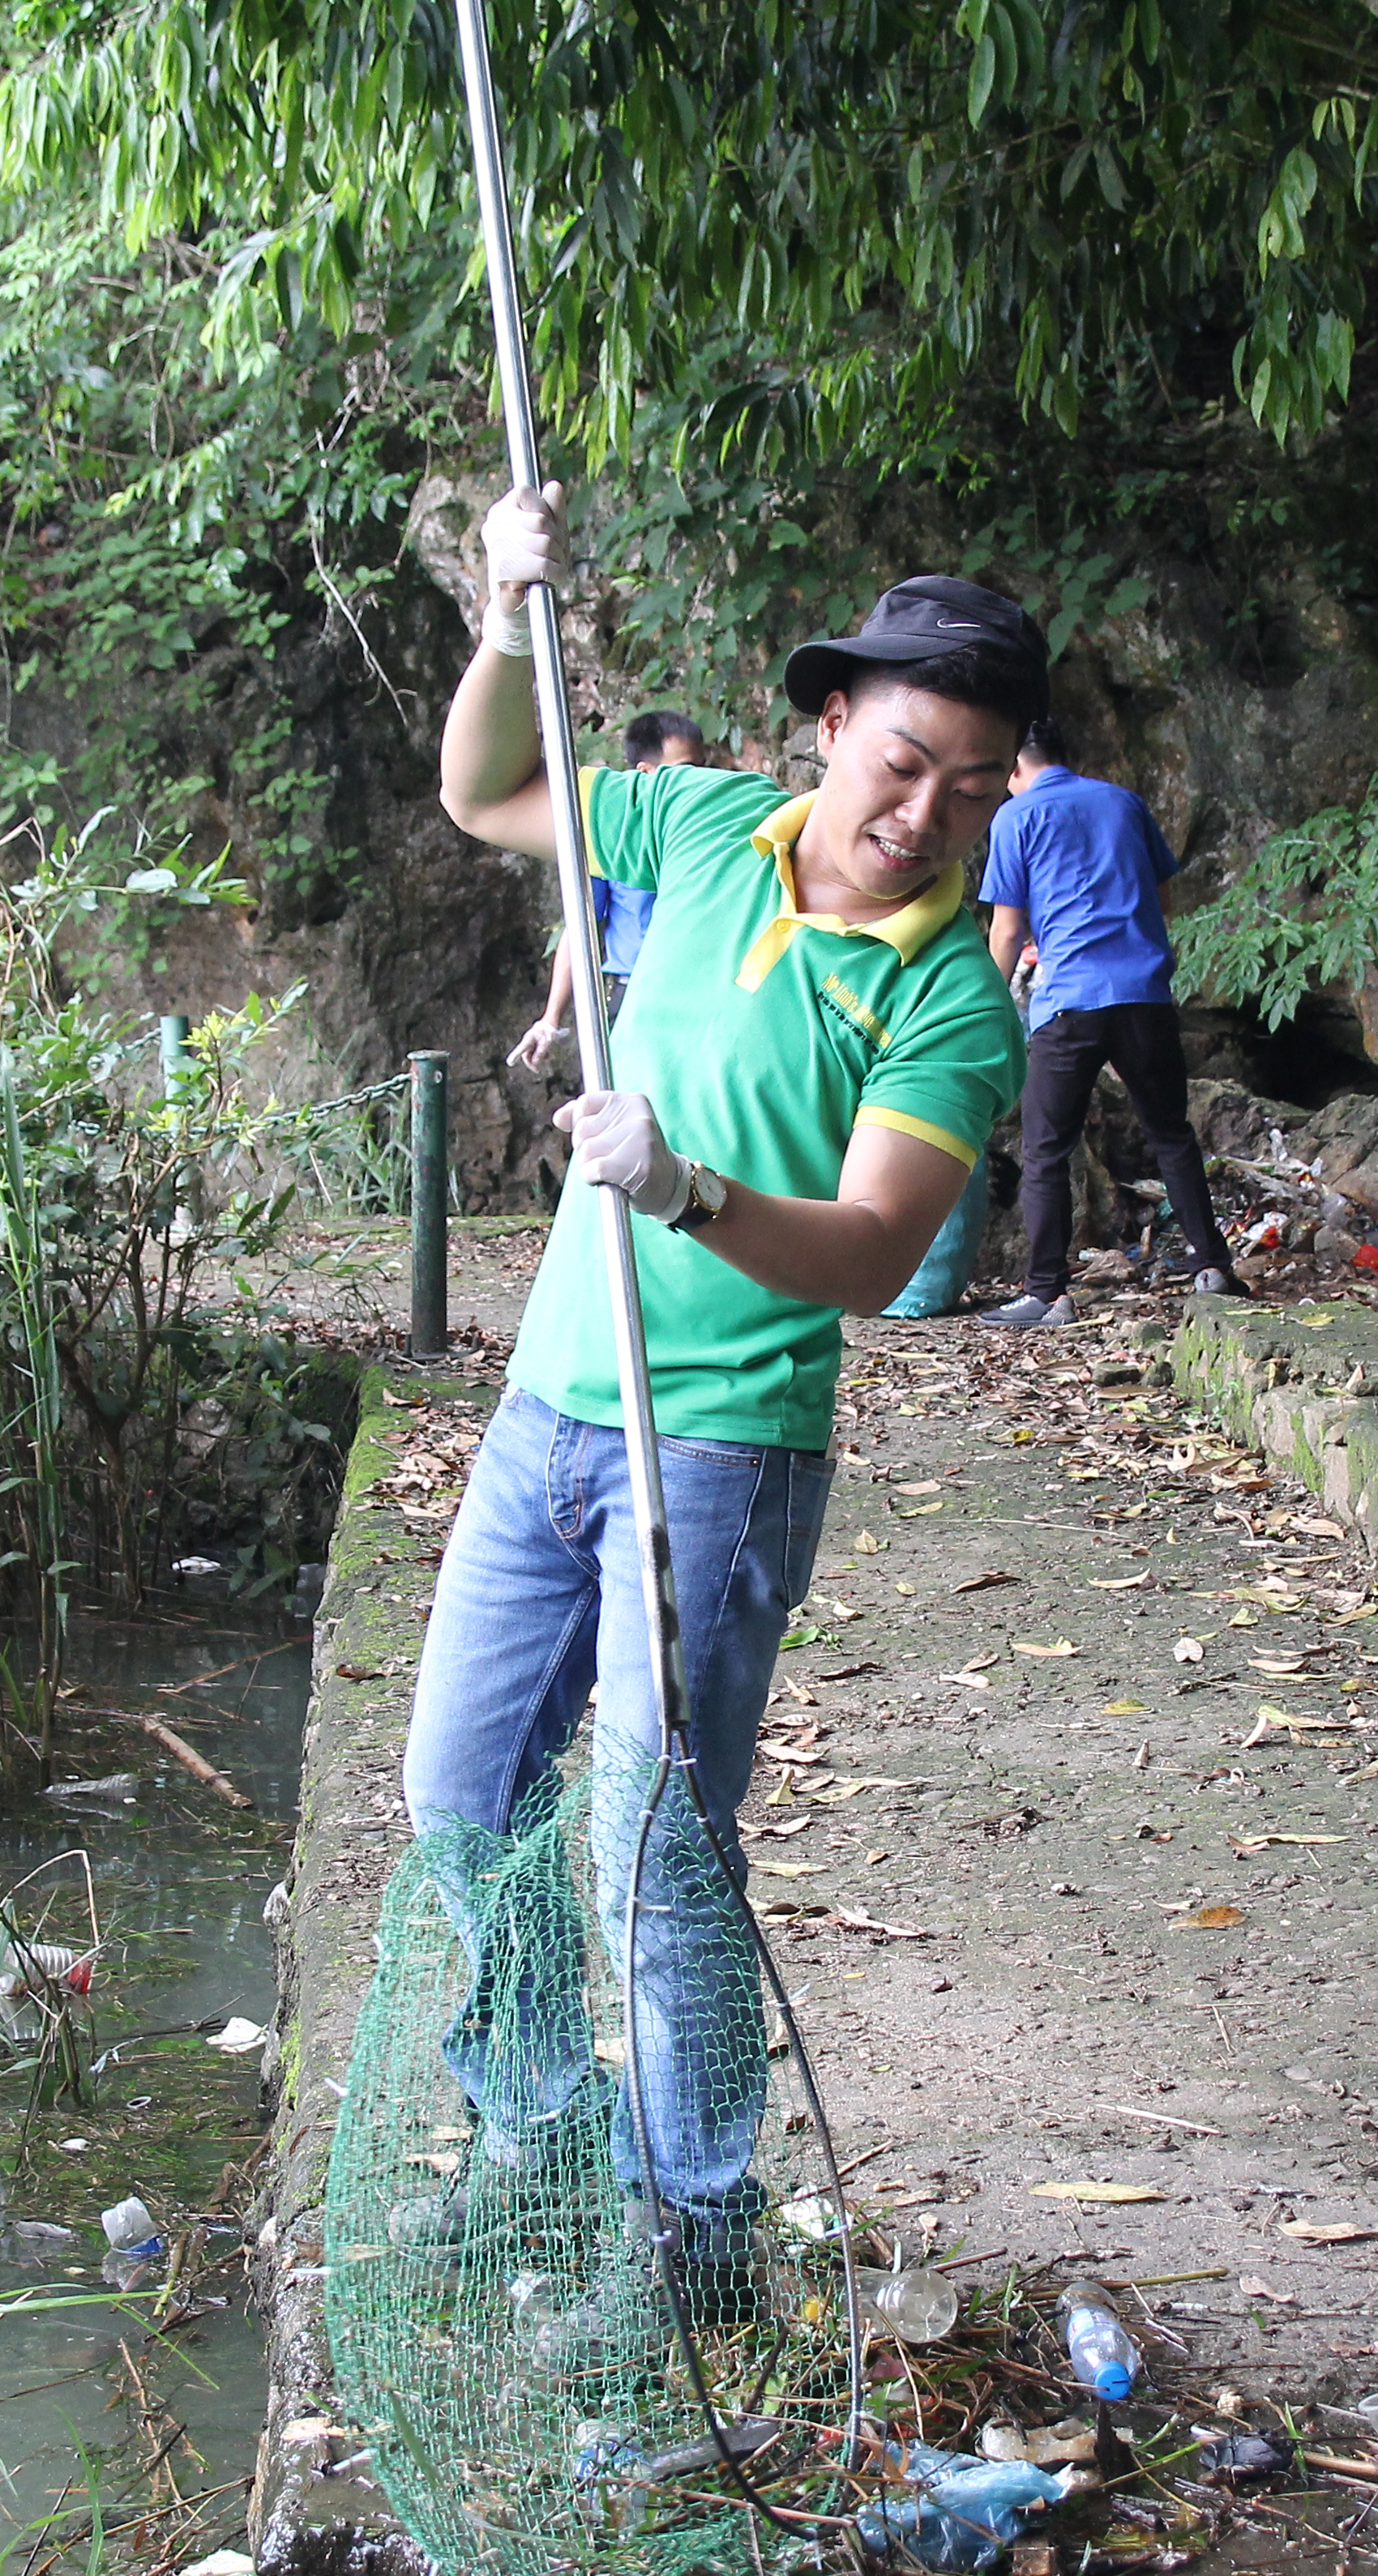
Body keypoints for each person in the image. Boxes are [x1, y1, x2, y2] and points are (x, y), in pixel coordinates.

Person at [393, 480, 1038, 2322]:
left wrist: (682, 1186)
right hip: (547, 1403)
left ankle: (694, 2229)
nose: (925, 812)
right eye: (905, 760)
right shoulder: (695, 822)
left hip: (725, 1445)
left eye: (972, 783)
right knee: (460, 1793)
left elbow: (865, 1254)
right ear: (831, 723)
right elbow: (484, 790)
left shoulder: (944, 1004)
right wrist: (510, 619)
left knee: (648, 1849)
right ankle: (526, 2136)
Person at [974, 724, 1244, 1326]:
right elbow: (1161, 900)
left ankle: (1047, 1293)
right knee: (1171, 1132)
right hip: (1143, 996)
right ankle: (1212, 1267)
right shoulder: (1123, 802)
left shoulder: (1015, 818)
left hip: (1069, 1002)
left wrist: (992, 1005)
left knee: (1045, 1150)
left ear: (1014, 768)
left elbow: (1007, 930)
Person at [510, 711, 710, 1073]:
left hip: (699, 991)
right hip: (635, 994)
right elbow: (582, 925)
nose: (698, 781)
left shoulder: (712, 826)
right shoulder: (612, 837)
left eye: (702, 767)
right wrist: (550, 1019)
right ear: (645, 772)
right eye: (684, 769)